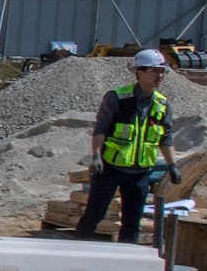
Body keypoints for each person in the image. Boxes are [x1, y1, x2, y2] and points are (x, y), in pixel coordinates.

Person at [75, 48, 180, 244]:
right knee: (94, 214)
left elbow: (166, 138)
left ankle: (124, 261)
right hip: (110, 169)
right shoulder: (117, 98)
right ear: (139, 72)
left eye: (162, 71)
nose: (160, 75)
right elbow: (101, 129)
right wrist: (96, 156)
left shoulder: (162, 104)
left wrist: (172, 165)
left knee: (132, 223)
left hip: (140, 173)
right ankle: (75, 252)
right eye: (155, 71)